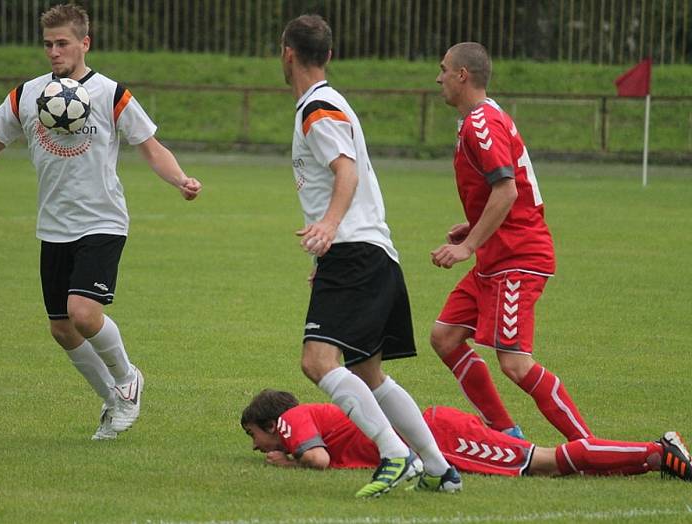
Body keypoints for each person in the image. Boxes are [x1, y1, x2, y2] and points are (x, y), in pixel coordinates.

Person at [0, 4, 201, 440]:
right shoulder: (27, 95)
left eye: (62, 44)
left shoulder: (111, 94)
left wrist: (180, 180)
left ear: (84, 43)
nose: (54, 52)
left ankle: (128, 377)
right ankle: (114, 401)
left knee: (82, 312)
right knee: (61, 328)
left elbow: (150, 146)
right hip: (54, 226)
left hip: (103, 220)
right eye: (48, 44)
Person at [281, 14, 459, 498]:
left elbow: (347, 172)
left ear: (287, 54)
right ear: (330, 56)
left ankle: (394, 454)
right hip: (370, 253)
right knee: (367, 371)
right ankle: (439, 468)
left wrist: (329, 229)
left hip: (355, 252)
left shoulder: (317, 108)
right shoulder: (327, 103)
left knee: (318, 361)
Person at [429, 42, 591, 442]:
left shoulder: (481, 123)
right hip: (496, 254)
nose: (439, 78)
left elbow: (506, 191)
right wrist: (474, 227)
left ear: (462, 75)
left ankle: (587, 444)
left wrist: (467, 246)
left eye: (444, 69)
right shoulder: (483, 118)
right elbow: (507, 190)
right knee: (445, 337)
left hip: (517, 257)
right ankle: (506, 431)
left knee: (515, 363)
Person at [241, 389, 692, 482]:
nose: (256, 445)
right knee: (546, 467)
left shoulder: (294, 418)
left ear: (269, 422)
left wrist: (291, 459)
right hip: (439, 433)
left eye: (253, 435)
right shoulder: (308, 417)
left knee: (546, 462)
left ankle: (656, 449)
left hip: (443, 436)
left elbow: (318, 460)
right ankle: (655, 459)